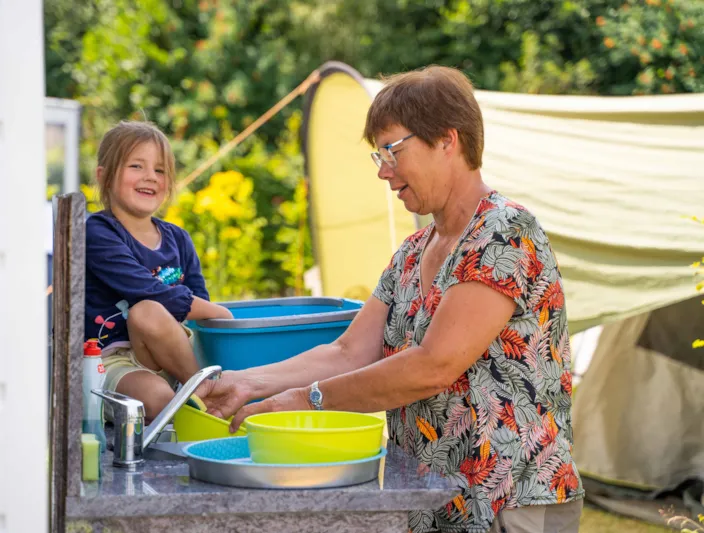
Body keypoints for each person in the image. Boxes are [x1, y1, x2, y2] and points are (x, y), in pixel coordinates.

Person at [197, 66, 584, 532]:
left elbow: (433, 366)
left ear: (447, 139)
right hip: (431, 499)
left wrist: (305, 400)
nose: (383, 170)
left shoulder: (502, 234)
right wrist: (248, 383)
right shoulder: (411, 252)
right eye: (377, 155)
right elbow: (348, 351)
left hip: (511, 499)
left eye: (392, 150)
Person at [85, 121, 232, 420]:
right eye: (137, 166)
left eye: (161, 170)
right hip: (112, 362)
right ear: (104, 176)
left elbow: (196, 302)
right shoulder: (97, 231)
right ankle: (204, 393)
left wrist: (209, 312)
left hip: (170, 355)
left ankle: (200, 391)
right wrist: (221, 311)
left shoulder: (178, 238)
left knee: (151, 314)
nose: (150, 177)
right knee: (147, 314)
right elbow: (148, 291)